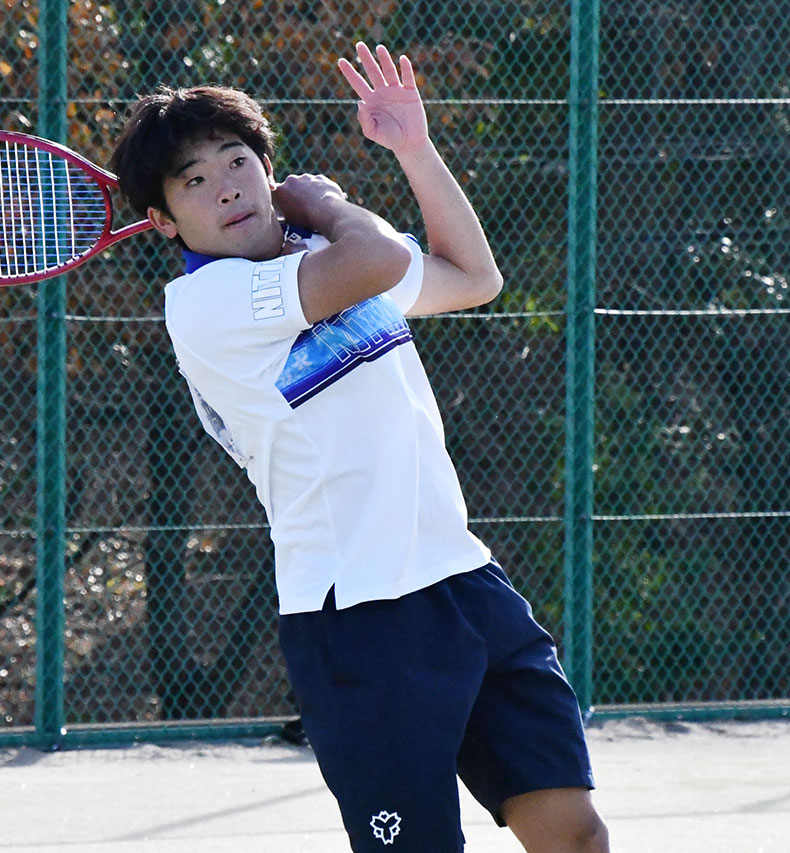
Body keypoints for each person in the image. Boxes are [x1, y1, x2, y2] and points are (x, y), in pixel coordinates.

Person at [110, 42, 611, 853]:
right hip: (357, 619)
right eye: (193, 180)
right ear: (163, 220)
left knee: (576, 834)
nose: (226, 186)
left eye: (237, 161)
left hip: (464, 581)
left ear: (265, 169)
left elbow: (473, 276)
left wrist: (415, 149)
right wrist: (329, 203)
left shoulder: (321, 255)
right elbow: (378, 257)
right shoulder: (205, 304)